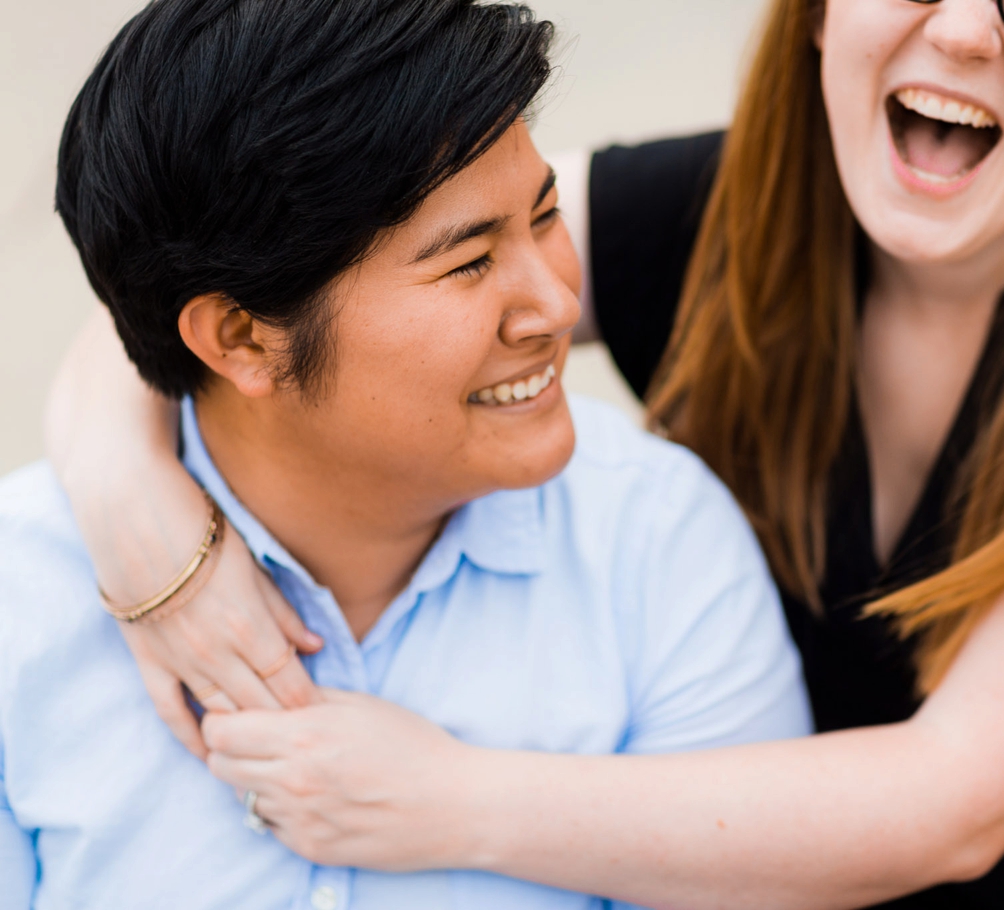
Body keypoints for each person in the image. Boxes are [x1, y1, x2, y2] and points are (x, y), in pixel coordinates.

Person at [43, 0, 1004, 907]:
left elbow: (954, 799)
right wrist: (129, 502)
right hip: (768, 852)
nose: (963, 25)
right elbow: (250, 253)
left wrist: (445, 800)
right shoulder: (731, 213)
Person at [0, 1, 814, 907]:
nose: (554, 306)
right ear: (240, 337)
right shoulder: (23, 606)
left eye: (545, 217)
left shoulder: (658, 545)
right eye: (469, 263)